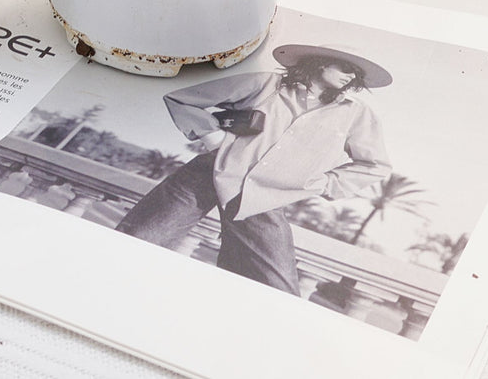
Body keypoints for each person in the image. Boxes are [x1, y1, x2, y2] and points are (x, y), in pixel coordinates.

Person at [115, 44, 392, 295]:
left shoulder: (355, 114)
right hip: (206, 175)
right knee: (137, 240)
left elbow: (374, 165)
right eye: (346, 68)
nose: (351, 77)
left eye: (356, 74)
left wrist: (320, 183)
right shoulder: (266, 84)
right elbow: (182, 99)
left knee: (279, 289)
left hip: (263, 198)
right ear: (321, 62)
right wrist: (215, 141)